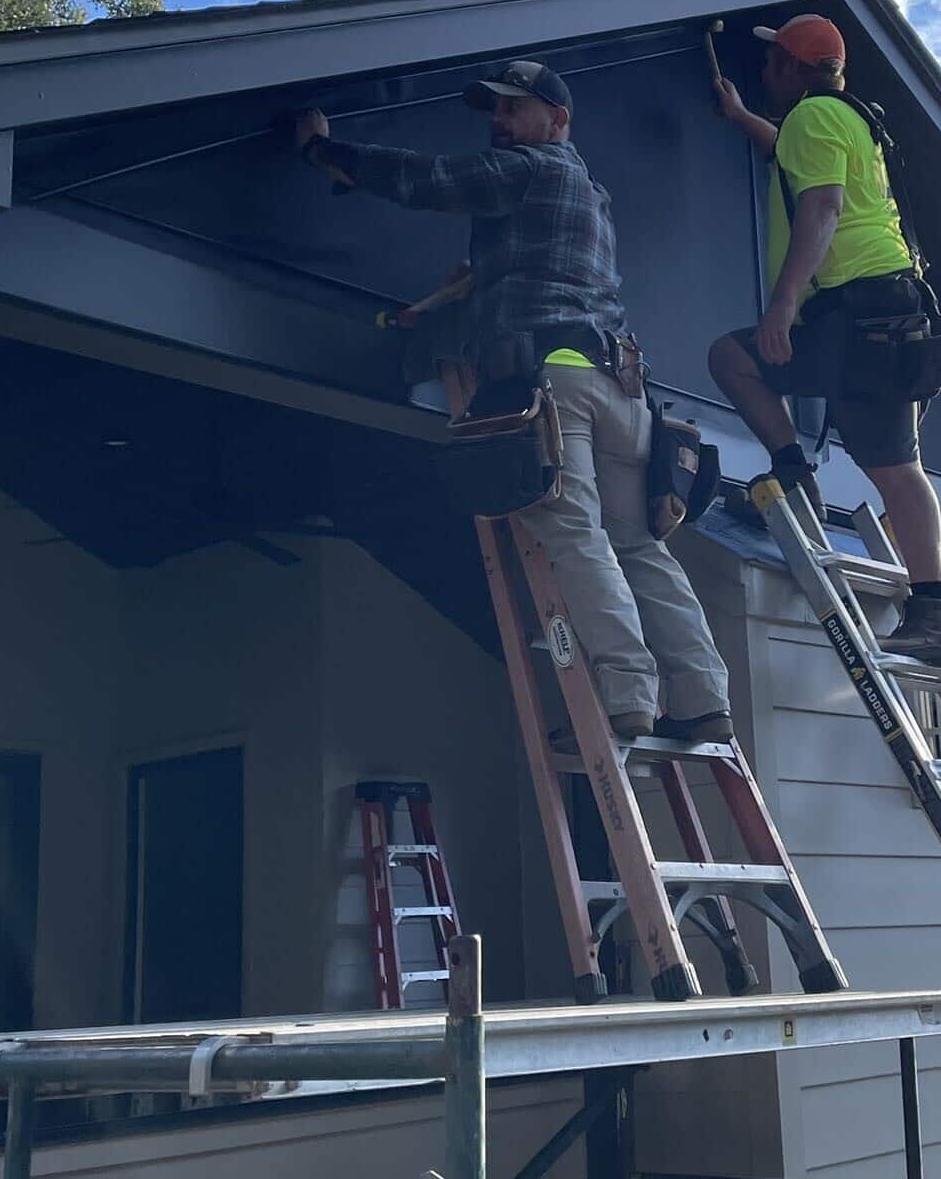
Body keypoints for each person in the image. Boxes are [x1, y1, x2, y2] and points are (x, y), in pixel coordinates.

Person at [293, 60, 734, 743]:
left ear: (557, 120)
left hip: (558, 380)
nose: (498, 123)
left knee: (575, 534)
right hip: (621, 386)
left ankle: (627, 696)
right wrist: (479, 281)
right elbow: (538, 265)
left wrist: (325, 151)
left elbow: (430, 180)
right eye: (493, 111)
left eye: (513, 109)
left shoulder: (533, 168)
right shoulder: (589, 194)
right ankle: (704, 697)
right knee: (640, 547)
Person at [707, 13, 941, 667]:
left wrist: (782, 304)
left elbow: (822, 205)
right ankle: (797, 479)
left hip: (859, 313)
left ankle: (933, 611)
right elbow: (793, 157)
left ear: (792, 68)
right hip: (878, 311)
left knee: (892, 466)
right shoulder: (841, 118)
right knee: (737, 360)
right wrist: (740, 117)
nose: (764, 71)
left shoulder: (812, 117)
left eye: (772, 62)